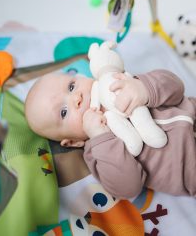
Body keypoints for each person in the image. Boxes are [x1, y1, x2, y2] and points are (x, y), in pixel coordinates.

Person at [25, 69, 196, 198]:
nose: (76, 98)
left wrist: (144, 87)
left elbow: (176, 88)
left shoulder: (119, 84)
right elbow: (129, 187)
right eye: (64, 112)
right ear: (72, 142)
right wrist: (101, 136)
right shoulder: (99, 154)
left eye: (71, 86)